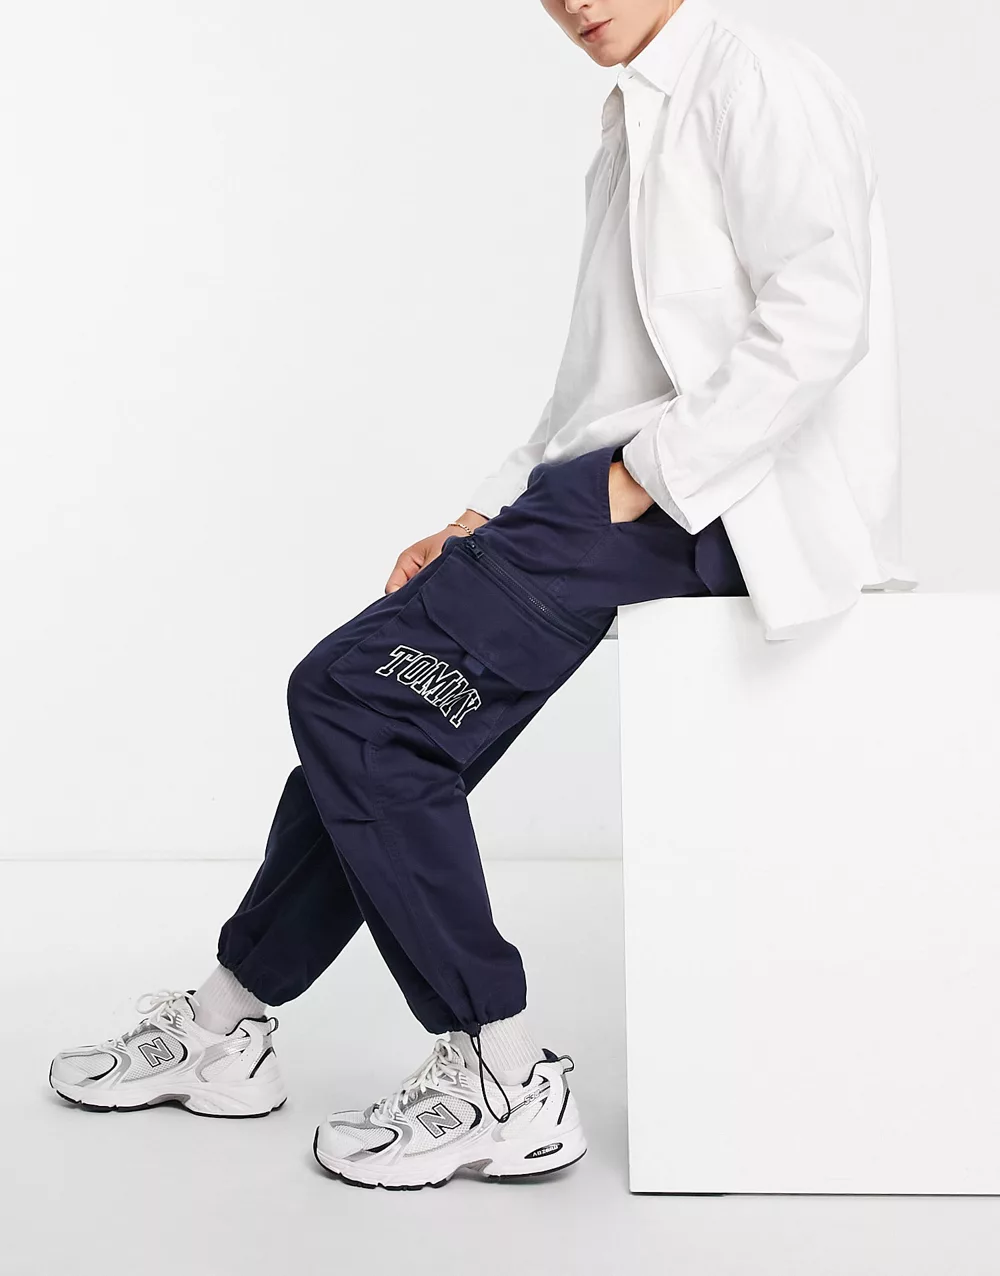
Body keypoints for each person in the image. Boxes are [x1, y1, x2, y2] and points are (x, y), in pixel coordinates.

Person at [48, 0, 914, 1190]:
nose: (572, 2)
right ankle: (221, 1027)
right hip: (633, 485)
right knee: (366, 729)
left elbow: (819, 313)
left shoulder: (750, 80)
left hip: (726, 499)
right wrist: (493, 507)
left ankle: (504, 1074)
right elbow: (604, 379)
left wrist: (643, 480)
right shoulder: (634, 115)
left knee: (355, 702)